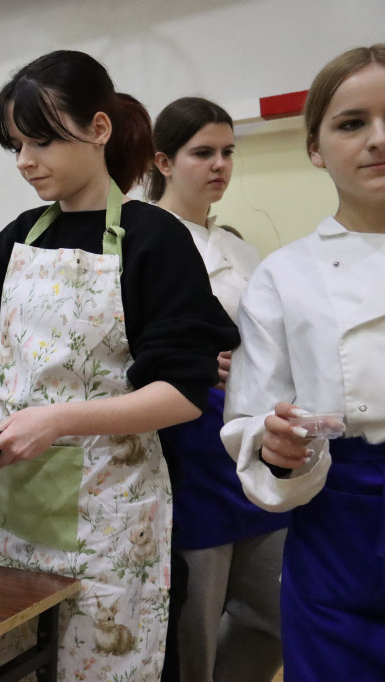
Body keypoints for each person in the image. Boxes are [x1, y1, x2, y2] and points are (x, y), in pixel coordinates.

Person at [0, 51, 238, 680]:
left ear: (100, 129)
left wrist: (58, 420)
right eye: (17, 145)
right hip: (18, 514)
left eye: (42, 141)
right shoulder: (22, 236)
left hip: (113, 523)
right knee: (13, 666)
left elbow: (183, 390)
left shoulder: (152, 238)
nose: (26, 160)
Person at [221, 45, 385, 681]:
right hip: (338, 533)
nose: (378, 139)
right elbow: (250, 421)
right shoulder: (284, 278)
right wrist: (278, 445)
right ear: (315, 147)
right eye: (352, 123)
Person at [149, 97, 288, 682]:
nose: (219, 166)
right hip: (185, 449)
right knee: (193, 628)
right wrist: (198, 362)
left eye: (228, 152)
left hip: (251, 446)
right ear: (163, 161)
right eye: (202, 153)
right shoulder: (141, 240)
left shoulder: (240, 250)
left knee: (275, 617)